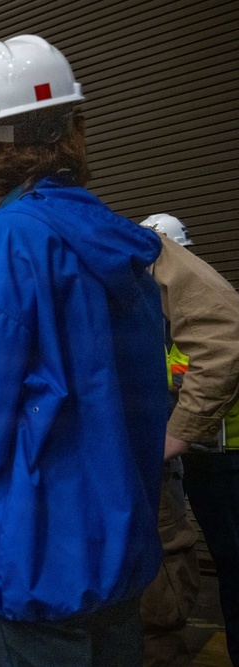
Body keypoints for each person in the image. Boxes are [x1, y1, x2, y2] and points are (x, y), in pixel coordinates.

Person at [0, 34, 167, 666]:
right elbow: (145, 403)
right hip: (119, 550)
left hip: (34, 561)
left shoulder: (6, 245)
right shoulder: (113, 242)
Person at [142, 213, 239, 666]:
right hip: (202, 458)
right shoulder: (159, 318)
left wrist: (178, 432)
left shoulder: (197, 310)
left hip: (223, 456)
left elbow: (218, 358)